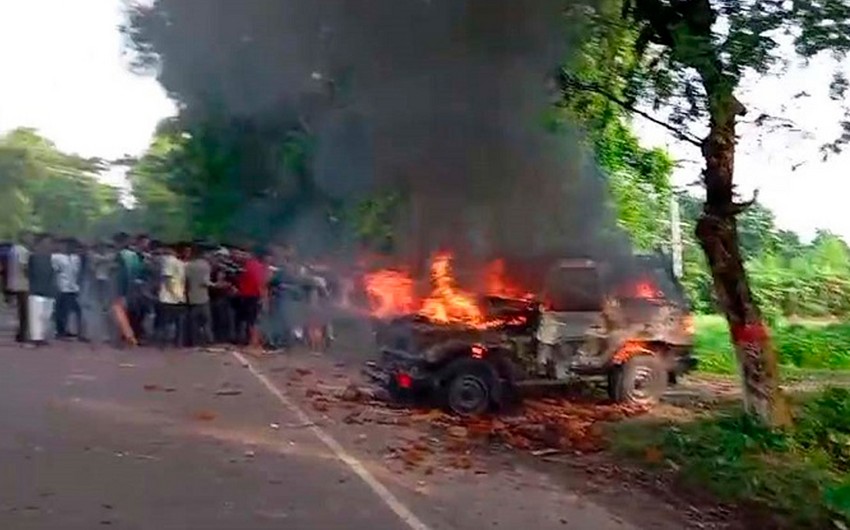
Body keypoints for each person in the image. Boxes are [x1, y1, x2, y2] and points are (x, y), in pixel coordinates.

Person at [234, 247, 269, 353]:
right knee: (251, 320)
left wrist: (263, 298)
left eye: (244, 254)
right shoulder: (254, 266)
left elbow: (260, 283)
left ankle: (253, 342)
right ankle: (252, 341)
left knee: (252, 321)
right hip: (250, 296)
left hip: (252, 296)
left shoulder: (252, 266)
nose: (241, 256)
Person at [27, 234, 56, 346]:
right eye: (46, 242)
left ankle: (43, 337)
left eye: (49, 243)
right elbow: (29, 272)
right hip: (36, 289)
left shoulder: (52, 258)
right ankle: (35, 338)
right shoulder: (33, 257)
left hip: (49, 289)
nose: (48, 245)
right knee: (36, 314)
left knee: (46, 315)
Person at [155, 243, 187, 347]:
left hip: (172, 296)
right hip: (170, 296)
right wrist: (176, 294)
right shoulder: (171, 261)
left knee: (168, 321)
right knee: (172, 321)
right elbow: (167, 278)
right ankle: (168, 342)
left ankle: (167, 342)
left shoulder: (175, 262)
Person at [52, 238, 84, 340]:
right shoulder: (56, 257)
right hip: (62, 286)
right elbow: (54, 272)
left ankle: (73, 330)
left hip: (74, 287)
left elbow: (78, 273)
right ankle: (60, 331)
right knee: (61, 310)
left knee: (74, 310)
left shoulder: (76, 258)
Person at [185, 243, 214, 346]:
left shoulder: (188, 265)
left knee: (193, 322)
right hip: (203, 297)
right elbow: (205, 282)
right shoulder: (206, 265)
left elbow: (186, 281)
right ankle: (208, 340)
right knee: (206, 321)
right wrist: (215, 285)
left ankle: (193, 341)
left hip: (191, 296)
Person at [7, 232, 32, 343]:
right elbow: (24, 266)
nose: (31, 239)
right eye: (29, 237)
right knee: (24, 311)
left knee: (20, 310)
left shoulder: (13, 249)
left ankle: (21, 333)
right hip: (23, 283)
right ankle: (23, 334)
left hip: (14, 281)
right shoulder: (23, 251)